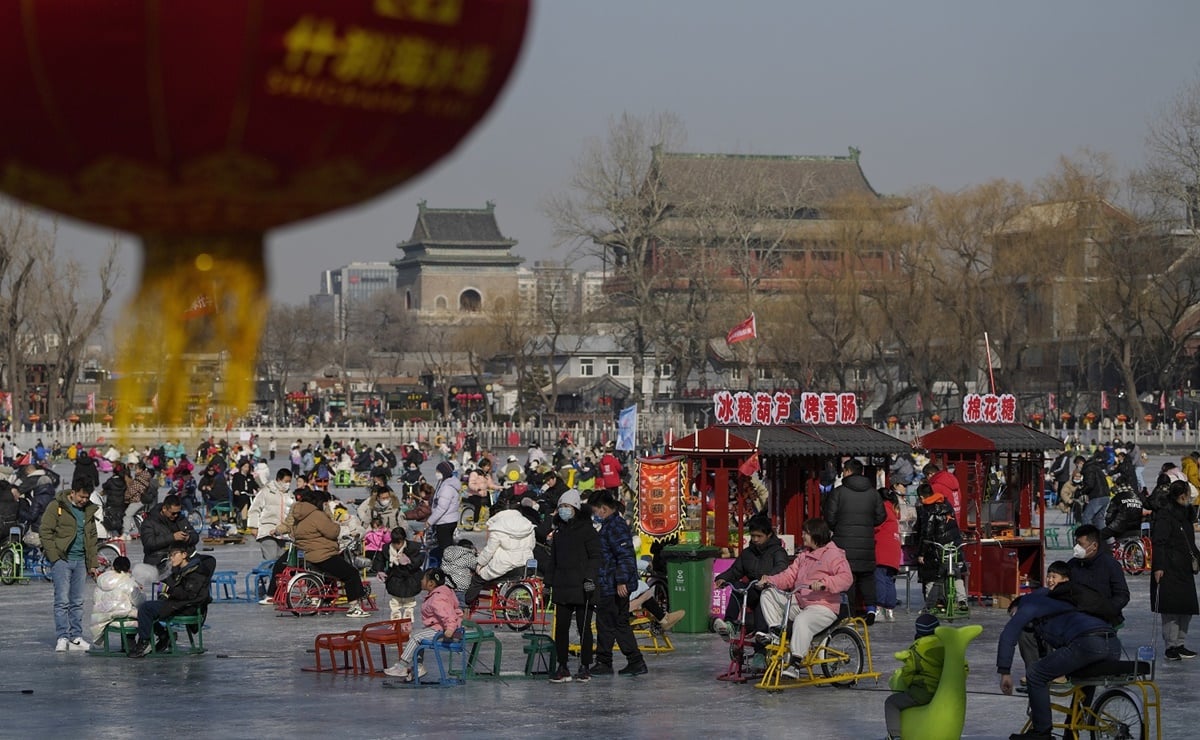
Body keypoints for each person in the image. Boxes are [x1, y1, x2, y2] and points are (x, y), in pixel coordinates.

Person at [998, 561, 1122, 740]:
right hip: (1113, 643)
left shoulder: (1029, 603)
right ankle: (1072, 731)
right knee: (1083, 679)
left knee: (1035, 674)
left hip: (1088, 643)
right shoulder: (1061, 599)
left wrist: (1004, 671)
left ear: (1016, 607)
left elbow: (1008, 635)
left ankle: (1041, 732)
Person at [757, 517, 853, 680]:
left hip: (823, 606)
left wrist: (824, 583)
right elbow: (789, 576)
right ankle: (775, 631)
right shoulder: (803, 556)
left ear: (815, 534)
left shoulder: (833, 554)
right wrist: (770, 581)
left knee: (802, 620)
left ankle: (795, 663)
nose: (802, 536)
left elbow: (846, 578)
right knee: (768, 594)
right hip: (801, 601)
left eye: (805, 533)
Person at [275, 490, 371, 618]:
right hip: (323, 555)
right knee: (351, 574)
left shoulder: (299, 516)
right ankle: (354, 606)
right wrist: (336, 525)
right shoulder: (317, 515)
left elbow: (290, 528)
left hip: (307, 555)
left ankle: (325, 602)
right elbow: (332, 532)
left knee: (329, 576)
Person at [544, 488, 601, 683]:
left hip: (583, 588)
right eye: (561, 507)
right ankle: (562, 665)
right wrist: (547, 583)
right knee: (561, 628)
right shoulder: (559, 534)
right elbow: (553, 561)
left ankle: (585, 665)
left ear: (576, 508)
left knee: (584, 628)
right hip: (562, 587)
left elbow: (595, 557)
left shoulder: (588, 531)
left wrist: (590, 578)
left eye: (567, 507)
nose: (563, 510)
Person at [590, 489, 648, 678]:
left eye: (595, 510)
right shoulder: (611, 525)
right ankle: (635, 661)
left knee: (607, 623)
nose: (595, 514)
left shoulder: (615, 526)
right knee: (619, 623)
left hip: (613, 584)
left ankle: (605, 661)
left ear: (603, 509)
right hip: (610, 582)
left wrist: (621, 581)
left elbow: (624, 556)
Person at [824, 458, 885, 622]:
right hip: (866, 542)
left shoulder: (838, 492)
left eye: (844, 470)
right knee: (866, 577)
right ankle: (871, 610)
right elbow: (881, 516)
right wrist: (867, 524)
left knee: (847, 578)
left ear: (848, 471)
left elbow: (829, 517)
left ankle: (849, 613)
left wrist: (839, 527)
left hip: (843, 544)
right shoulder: (873, 493)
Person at [41, 483, 100, 652]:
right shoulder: (57, 506)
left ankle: (76, 637)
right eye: (81, 496)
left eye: (87, 497)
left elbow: (92, 538)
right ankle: (62, 637)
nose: (84, 500)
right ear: (73, 493)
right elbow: (45, 531)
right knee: (62, 600)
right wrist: (54, 556)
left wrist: (93, 563)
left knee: (77, 601)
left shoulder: (88, 510)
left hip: (81, 561)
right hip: (62, 560)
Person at [128, 545, 215, 658]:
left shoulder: (196, 572)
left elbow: (188, 594)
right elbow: (172, 588)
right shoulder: (180, 570)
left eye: (174, 555)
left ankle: (144, 642)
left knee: (146, 608)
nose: (171, 558)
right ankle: (164, 635)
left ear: (184, 555)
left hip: (187, 608)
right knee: (147, 609)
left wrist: (168, 588)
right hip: (178, 604)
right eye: (170, 556)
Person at [712, 514, 790, 637]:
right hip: (754, 589)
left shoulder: (777, 551)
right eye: (753, 536)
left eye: (759, 536)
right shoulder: (748, 553)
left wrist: (768, 578)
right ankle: (730, 624)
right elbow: (736, 570)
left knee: (763, 603)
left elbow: (782, 567)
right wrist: (722, 578)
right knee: (738, 588)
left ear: (769, 535)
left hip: (772, 593)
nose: (755, 539)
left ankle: (761, 646)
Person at [382, 568, 462, 680]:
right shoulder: (441, 593)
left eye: (423, 579)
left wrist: (450, 629)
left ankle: (401, 666)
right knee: (418, 634)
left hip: (445, 632)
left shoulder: (437, 598)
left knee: (416, 636)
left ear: (431, 583)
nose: (421, 581)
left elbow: (448, 615)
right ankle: (418, 667)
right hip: (439, 628)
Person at [1151, 480, 1200, 660]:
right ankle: (1170, 646)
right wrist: (1158, 567)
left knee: (1186, 608)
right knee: (1171, 609)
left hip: (1184, 567)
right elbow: (1159, 542)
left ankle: (1180, 643)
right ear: (1181, 496)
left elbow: (1189, 541)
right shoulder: (1165, 515)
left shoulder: (1186, 512)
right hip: (1169, 567)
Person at [885, 613, 949, 740]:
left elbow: (909, 672)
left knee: (891, 702)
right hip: (944, 692)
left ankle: (895, 735)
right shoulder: (946, 646)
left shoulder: (916, 650)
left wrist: (910, 685)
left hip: (923, 692)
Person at [463, 501, 536, 605]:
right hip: (525, 565)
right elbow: (531, 545)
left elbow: (489, 550)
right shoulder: (527, 524)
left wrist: (479, 564)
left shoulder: (498, 526)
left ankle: (466, 603)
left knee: (477, 579)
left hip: (504, 566)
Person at [914, 482, 965, 611]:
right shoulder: (946, 504)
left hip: (938, 550)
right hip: (954, 547)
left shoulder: (928, 510)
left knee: (931, 576)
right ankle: (962, 601)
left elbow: (927, 534)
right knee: (956, 573)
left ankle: (932, 604)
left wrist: (921, 553)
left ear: (921, 497)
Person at [89, 556, 143, 641]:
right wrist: (140, 591)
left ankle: (127, 645)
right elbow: (140, 602)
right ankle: (132, 643)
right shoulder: (128, 582)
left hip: (101, 619)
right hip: (122, 619)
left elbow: (95, 600)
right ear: (128, 569)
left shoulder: (101, 580)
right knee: (145, 616)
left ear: (113, 567)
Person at [247, 468, 295, 565]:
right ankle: (267, 577)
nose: (288, 484)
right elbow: (254, 509)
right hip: (267, 530)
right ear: (279, 479)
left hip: (282, 532)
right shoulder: (266, 491)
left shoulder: (289, 495)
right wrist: (253, 527)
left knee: (281, 560)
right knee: (271, 558)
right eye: (286, 481)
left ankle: (275, 579)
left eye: (290, 482)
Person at [138, 494, 200, 567]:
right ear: (164, 509)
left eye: (178, 513)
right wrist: (172, 537)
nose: (176, 515)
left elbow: (195, 535)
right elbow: (149, 543)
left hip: (181, 558)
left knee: (206, 562)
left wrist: (188, 538)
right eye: (173, 513)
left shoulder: (180, 519)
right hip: (159, 559)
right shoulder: (150, 522)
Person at [381, 527, 423, 622]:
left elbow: (419, 560)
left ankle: (408, 616)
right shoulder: (387, 548)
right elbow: (380, 560)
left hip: (410, 577)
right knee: (395, 600)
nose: (397, 546)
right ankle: (395, 617)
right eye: (394, 543)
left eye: (399, 543)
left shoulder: (413, 547)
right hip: (395, 577)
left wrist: (409, 561)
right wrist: (380, 570)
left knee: (409, 599)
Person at [875, 481, 903, 621]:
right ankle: (890, 610)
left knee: (879, 577)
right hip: (894, 550)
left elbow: (876, 527)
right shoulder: (893, 510)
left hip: (882, 548)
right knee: (889, 580)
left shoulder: (882, 510)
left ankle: (878, 608)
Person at [427, 461, 460, 559]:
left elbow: (442, 508)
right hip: (448, 520)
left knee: (446, 550)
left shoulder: (447, 487)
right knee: (447, 547)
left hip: (445, 522)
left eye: (438, 471)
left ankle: (448, 568)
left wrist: (430, 521)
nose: (436, 473)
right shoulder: (444, 483)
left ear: (444, 472)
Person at [465, 457, 501, 531]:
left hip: (483, 495)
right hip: (474, 495)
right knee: (478, 505)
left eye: (489, 466)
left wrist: (499, 487)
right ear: (482, 466)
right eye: (487, 466)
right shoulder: (474, 473)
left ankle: (491, 521)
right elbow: (470, 484)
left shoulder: (487, 475)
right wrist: (476, 488)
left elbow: (490, 485)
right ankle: (475, 524)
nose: (488, 468)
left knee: (492, 506)